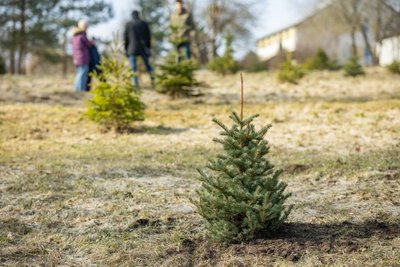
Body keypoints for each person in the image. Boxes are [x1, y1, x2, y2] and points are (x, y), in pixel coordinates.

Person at [124, 10, 154, 86]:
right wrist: (148, 48)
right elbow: (148, 37)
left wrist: (126, 50)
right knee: (148, 66)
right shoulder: (144, 24)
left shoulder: (128, 24)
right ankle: (154, 81)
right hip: (143, 48)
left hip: (132, 48)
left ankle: (135, 85)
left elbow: (125, 39)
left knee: (133, 68)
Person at [71, 20, 94, 92]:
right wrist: (92, 42)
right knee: (82, 74)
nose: (87, 28)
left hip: (77, 58)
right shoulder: (82, 35)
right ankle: (80, 90)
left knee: (79, 74)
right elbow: (88, 44)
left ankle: (76, 89)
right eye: (86, 26)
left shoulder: (75, 36)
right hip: (82, 58)